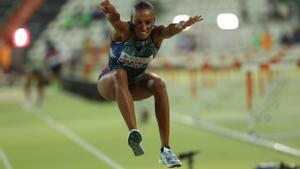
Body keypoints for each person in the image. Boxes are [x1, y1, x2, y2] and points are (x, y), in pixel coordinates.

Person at [97, 0, 203, 168]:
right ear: (132, 20)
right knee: (120, 73)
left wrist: (182, 26)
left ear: (154, 22)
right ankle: (134, 133)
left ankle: (166, 151)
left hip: (134, 84)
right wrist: (111, 11)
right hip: (109, 83)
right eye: (138, 22)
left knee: (159, 83)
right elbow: (115, 20)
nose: (143, 27)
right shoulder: (124, 31)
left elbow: (170, 29)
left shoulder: (156, 35)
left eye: (148, 22)